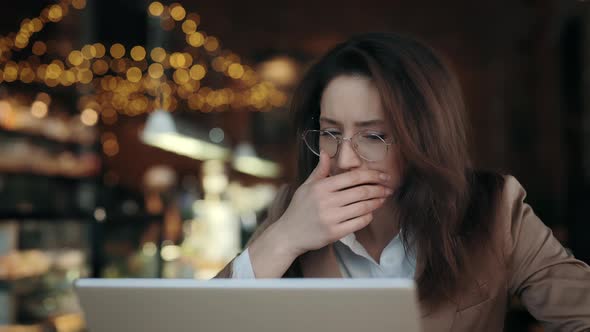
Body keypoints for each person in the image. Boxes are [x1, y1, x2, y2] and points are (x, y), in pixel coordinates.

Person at [215, 32, 590, 331]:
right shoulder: (290, 209)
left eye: (374, 136)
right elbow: (206, 322)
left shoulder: (494, 206)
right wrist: (283, 239)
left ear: (424, 139)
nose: (344, 160)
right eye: (330, 132)